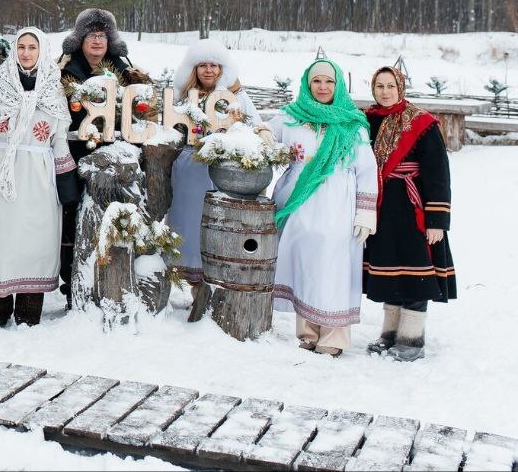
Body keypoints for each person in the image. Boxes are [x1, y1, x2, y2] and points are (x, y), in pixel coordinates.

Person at [0, 29, 79, 327]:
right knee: (3, 240)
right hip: (3, 172)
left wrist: (67, 183)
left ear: (42, 51)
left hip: (40, 176)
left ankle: (29, 313)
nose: (26, 53)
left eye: (32, 47)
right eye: (21, 47)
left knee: (37, 241)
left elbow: (59, 140)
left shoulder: (53, 90)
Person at [269, 58, 378, 356]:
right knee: (305, 266)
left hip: (338, 207)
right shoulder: (291, 117)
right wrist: (265, 136)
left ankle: (333, 338)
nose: (322, 87)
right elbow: (263, 134)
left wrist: (367, 213)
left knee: (335, 270)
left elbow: (367, 170)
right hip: (299, 205)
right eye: (317, 81)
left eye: (329, 81)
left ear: (338, 85)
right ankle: (307, 332)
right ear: (307, 83)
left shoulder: (351, 124)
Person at [56, 8, 151, 306]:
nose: (97, 41)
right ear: (80, 39)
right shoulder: (67, 70)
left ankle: (115, 281)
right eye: (91, 35)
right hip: (77, 155)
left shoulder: (122, 69)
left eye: (102, 35)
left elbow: (140, 108)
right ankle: (72, 282)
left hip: (116, 158)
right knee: (74, 214)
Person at [363, 66, 455, 361]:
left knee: (416, 273)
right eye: (380, 86)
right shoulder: (366, 121)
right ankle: (389, 333)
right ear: (373, 89)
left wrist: (437, 220)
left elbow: (439, 175)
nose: (386, 92)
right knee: (389, 271)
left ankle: (412, 338)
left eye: (391, 86)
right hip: (382, 209)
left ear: (400, 88)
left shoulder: (422, 123)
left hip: (413, 209)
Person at [166, 39, 264, 286]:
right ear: (194, 69)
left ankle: (212, 281)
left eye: (214, 65)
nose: (208, 70)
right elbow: (170, 129)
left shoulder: (234, 97)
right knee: (186, 223)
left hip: (219, 170)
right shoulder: (184, 97)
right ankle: (186, 279)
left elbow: (255, 125)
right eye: (203, 65)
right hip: (188, 167)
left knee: (214, 224)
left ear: (222, 69)